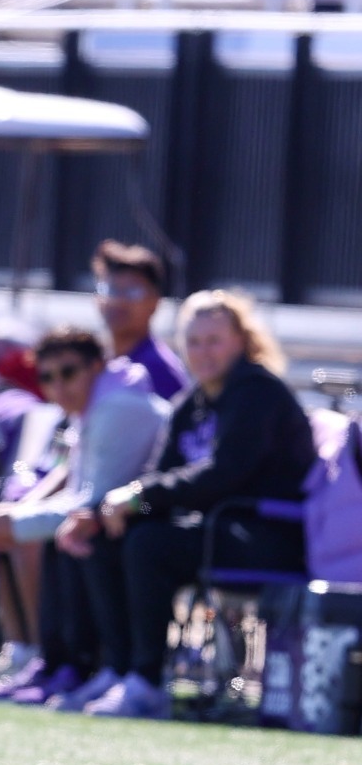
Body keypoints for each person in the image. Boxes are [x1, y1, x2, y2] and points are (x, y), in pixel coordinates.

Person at [81, 290, 315, 719]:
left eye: (214, 340)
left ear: (240, 341)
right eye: (194, 341)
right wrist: (120, 510)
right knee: (104, 537)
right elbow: (160, 474)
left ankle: (147, 682)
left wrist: (140, 498)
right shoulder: (192, 403)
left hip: (264, 532)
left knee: (149, 545)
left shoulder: (258, 393)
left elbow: (224, 474)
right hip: (208, 527)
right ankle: (115, 669)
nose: (203, 352)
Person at [0, 328, 168, 708]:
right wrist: (13, 517)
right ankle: (40, 658)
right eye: (47, 377)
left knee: (71, 536)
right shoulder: (92, 406)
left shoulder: (117, 407)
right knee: (54, 533)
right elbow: (77, 489)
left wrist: (17, 523)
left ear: (96, 367)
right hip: (123, 513)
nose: (58, 386)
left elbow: (91, 500)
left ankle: (79, 667)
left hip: (149, 513)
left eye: (68, 372)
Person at [92, 239, 189, 402]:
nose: (119, 301)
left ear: (155, 302)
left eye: (132, 292)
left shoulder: (160, 371)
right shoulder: (94, 363)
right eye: (110, 289)